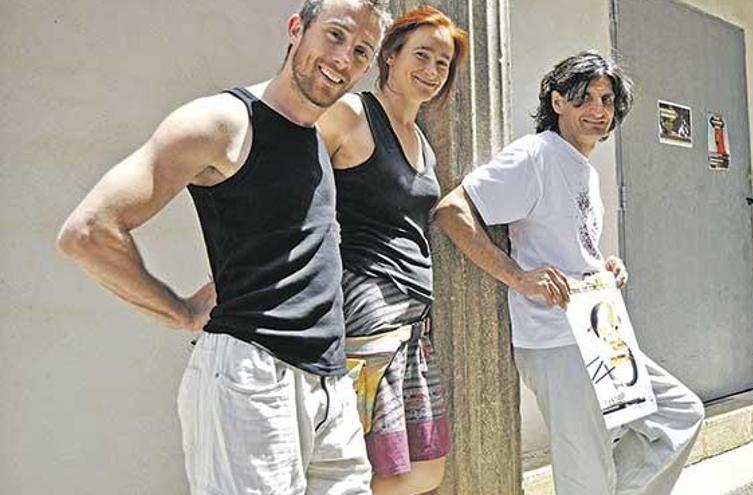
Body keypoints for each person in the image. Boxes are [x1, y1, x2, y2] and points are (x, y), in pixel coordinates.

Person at [55, 1, 390, 493]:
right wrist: (180, 310)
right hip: (253, 379)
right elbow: (87, 232)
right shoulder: (223, 122)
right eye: (335, 35)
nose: (344, 57)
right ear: (296, 29)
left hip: (330, 385)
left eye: (361, 50)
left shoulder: (317, 137)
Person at [435, 50, 705, 495]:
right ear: (557, 101)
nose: (598, 111)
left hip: (600, 334)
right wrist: (517, 276)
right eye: (584, 98)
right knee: (586, 470)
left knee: (679, 415)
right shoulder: (536, 155)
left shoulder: (581, 167)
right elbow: (452, 211)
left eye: (606, 100)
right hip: (556, 340)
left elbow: (567, 241)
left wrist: (604, 264)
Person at [317, 6, 467, 494]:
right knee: (369, 463)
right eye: (421, 55)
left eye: (442, 64)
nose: (431, 71)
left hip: (412, 321)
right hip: (368, 312)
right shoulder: (352, 115)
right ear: (390, 56)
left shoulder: (424, 142)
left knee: (423, 465)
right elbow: (291, 187)